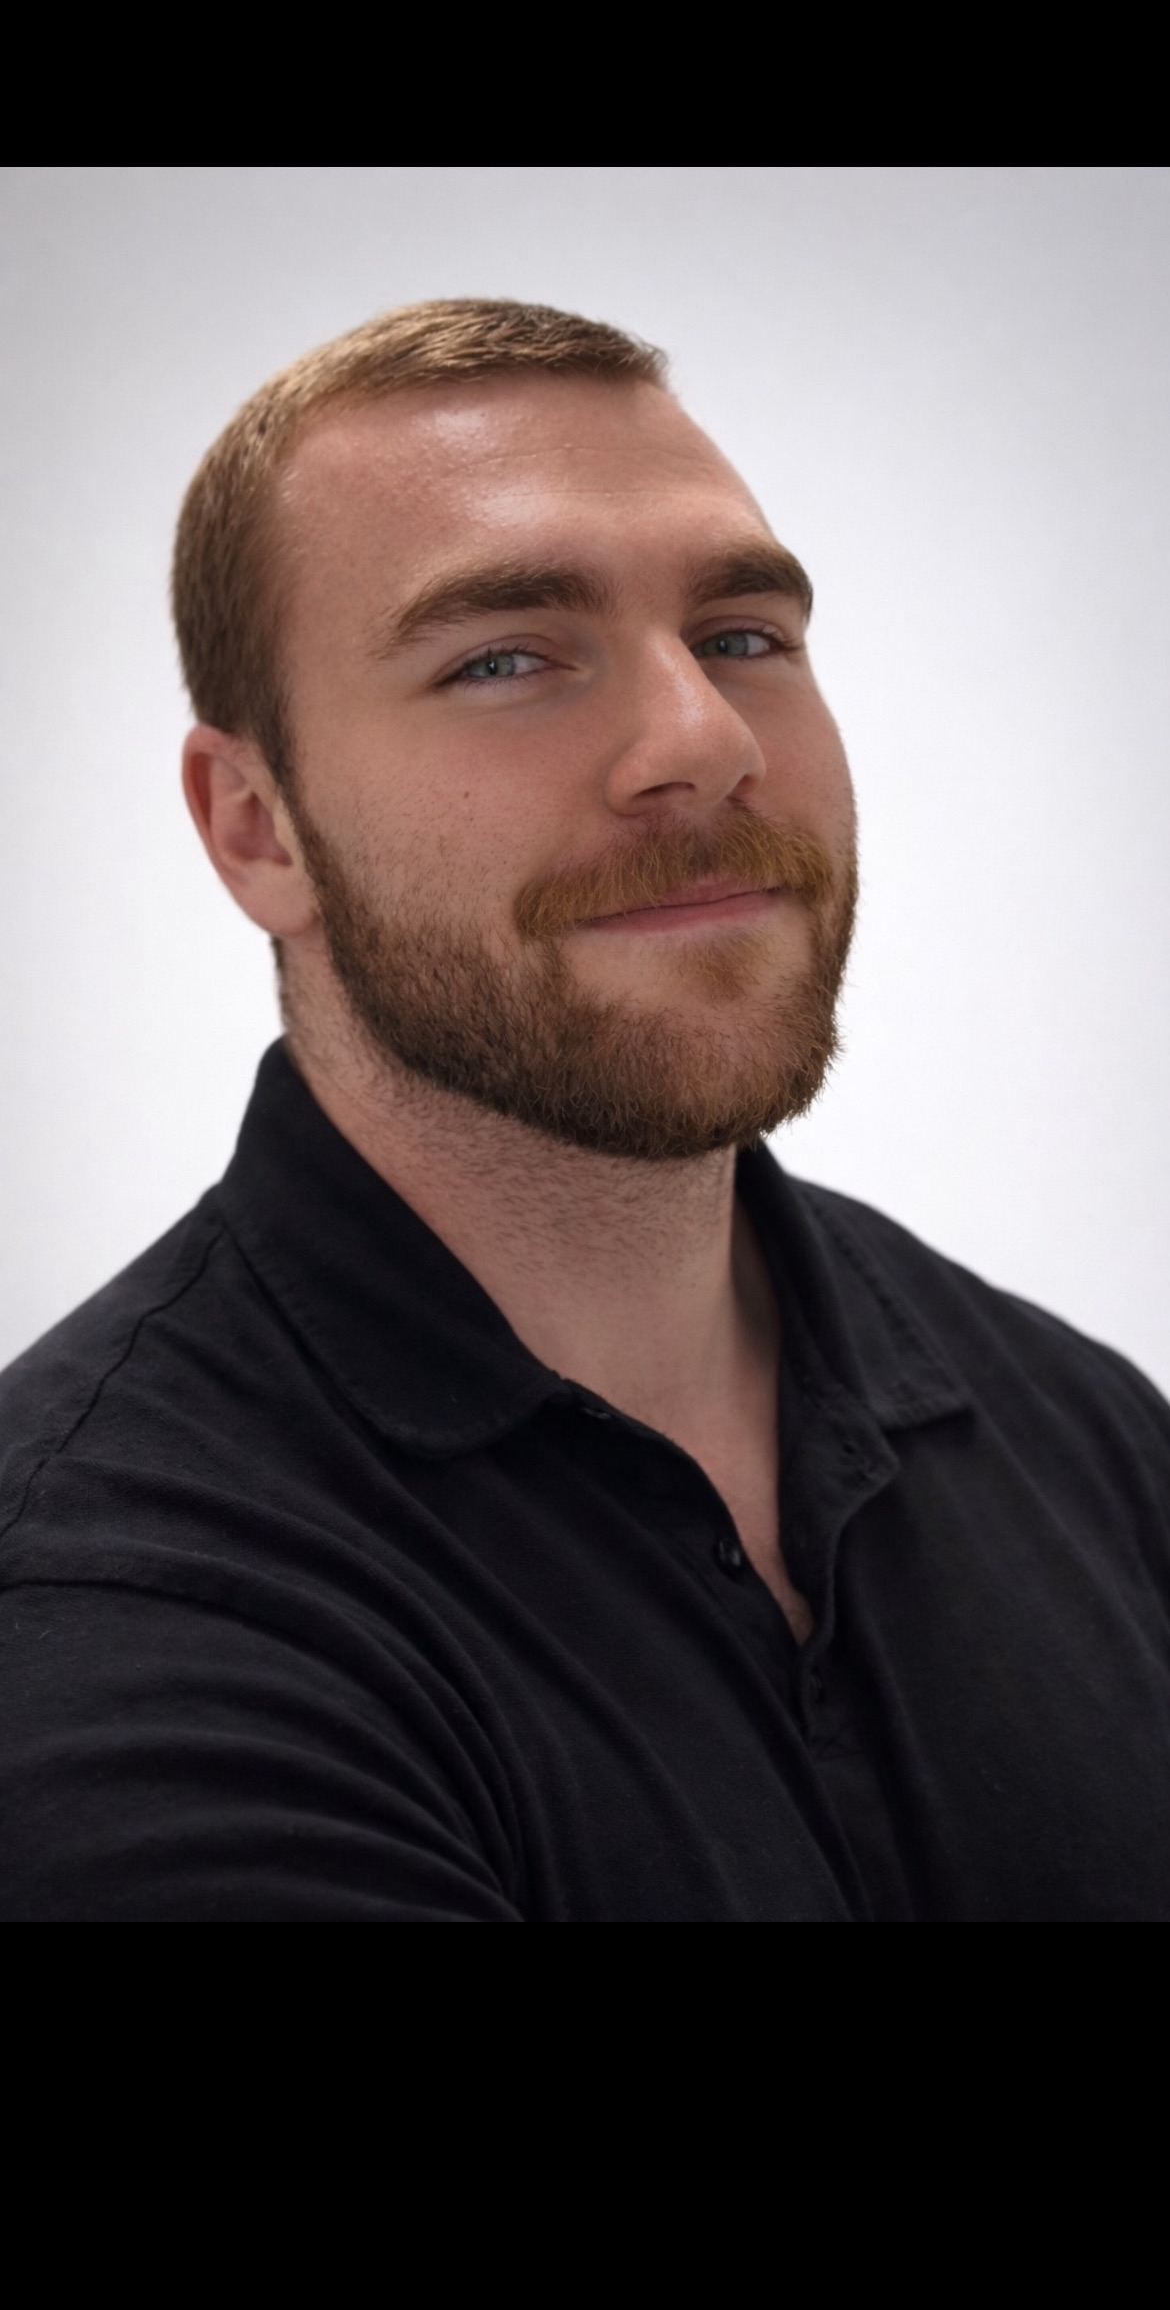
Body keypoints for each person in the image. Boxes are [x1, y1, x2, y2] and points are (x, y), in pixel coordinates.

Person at [2, 297, 1167, 1923]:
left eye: (741, 636)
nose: (701, 741)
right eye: (503, 659)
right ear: (258, 827)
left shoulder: (1085, 1436)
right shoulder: (107, 1616)